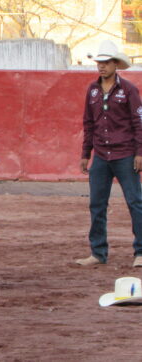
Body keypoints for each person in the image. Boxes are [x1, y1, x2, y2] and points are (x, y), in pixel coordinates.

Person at [76, 40, 142, 267]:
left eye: (106, 62)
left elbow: (138, 122)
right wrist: (86, 153)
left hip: (125, 153)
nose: (101, 67)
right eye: (99, 63)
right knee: (97, 204)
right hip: (101, 156)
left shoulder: (130, 90)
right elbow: (89, 123)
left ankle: (140, 252)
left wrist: (139, 153)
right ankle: (97, 252)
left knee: (135, 202)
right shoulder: (92, 90)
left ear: (116, 64)